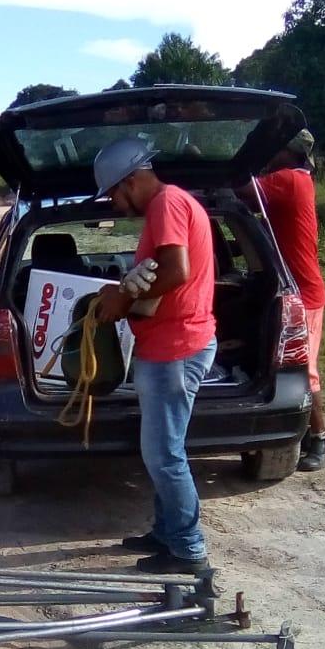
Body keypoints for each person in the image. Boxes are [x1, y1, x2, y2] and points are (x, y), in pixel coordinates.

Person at [94, 138, 217, 574]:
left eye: (112, 192)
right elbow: (166, 272)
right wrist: (126, 289)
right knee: (165, 451)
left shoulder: (166, 204)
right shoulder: (176, 203)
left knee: (163, 455)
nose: (113, 203)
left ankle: (188, 552)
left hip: (175, 349)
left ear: (130, 180)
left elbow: (176, 271)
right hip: (173, 345)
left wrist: (122, 301)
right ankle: (167, 534)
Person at [253, 129, 325, 471]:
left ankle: (320, 438)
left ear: (288, 152)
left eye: (274, 148)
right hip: (289, 289)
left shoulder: (289, 180)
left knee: (305, 370)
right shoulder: (292, 179)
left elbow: (241, 190)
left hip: (305, 294)